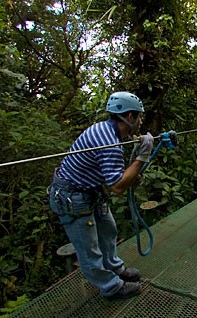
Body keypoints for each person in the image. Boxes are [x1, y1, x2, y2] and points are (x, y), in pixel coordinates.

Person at [48, 91, 154, 299]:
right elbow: (118, 186)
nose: (141, 122)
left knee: (108, 230)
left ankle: (114, 269)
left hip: (90, 191)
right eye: (140, 117)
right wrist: (143, 156)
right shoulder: (109, 142)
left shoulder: (109, 132)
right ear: (130, 117)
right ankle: (111, 287)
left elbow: (114, 173)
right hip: (73, 197)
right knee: (89, 250)